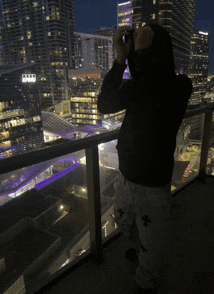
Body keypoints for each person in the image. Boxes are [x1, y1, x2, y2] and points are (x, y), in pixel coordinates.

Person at [97, 24, 193, 293]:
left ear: (157, 50)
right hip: (127, 175)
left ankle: (145, 283)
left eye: (145, 41)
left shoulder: (179, 86)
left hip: (153, 183)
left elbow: (151, 85)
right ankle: (141, 251)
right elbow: (104, 105)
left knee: (153, 240)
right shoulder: (138, 86)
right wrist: (121, 58)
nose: (137, 46)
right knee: (123, 221)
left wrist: (136, 54)